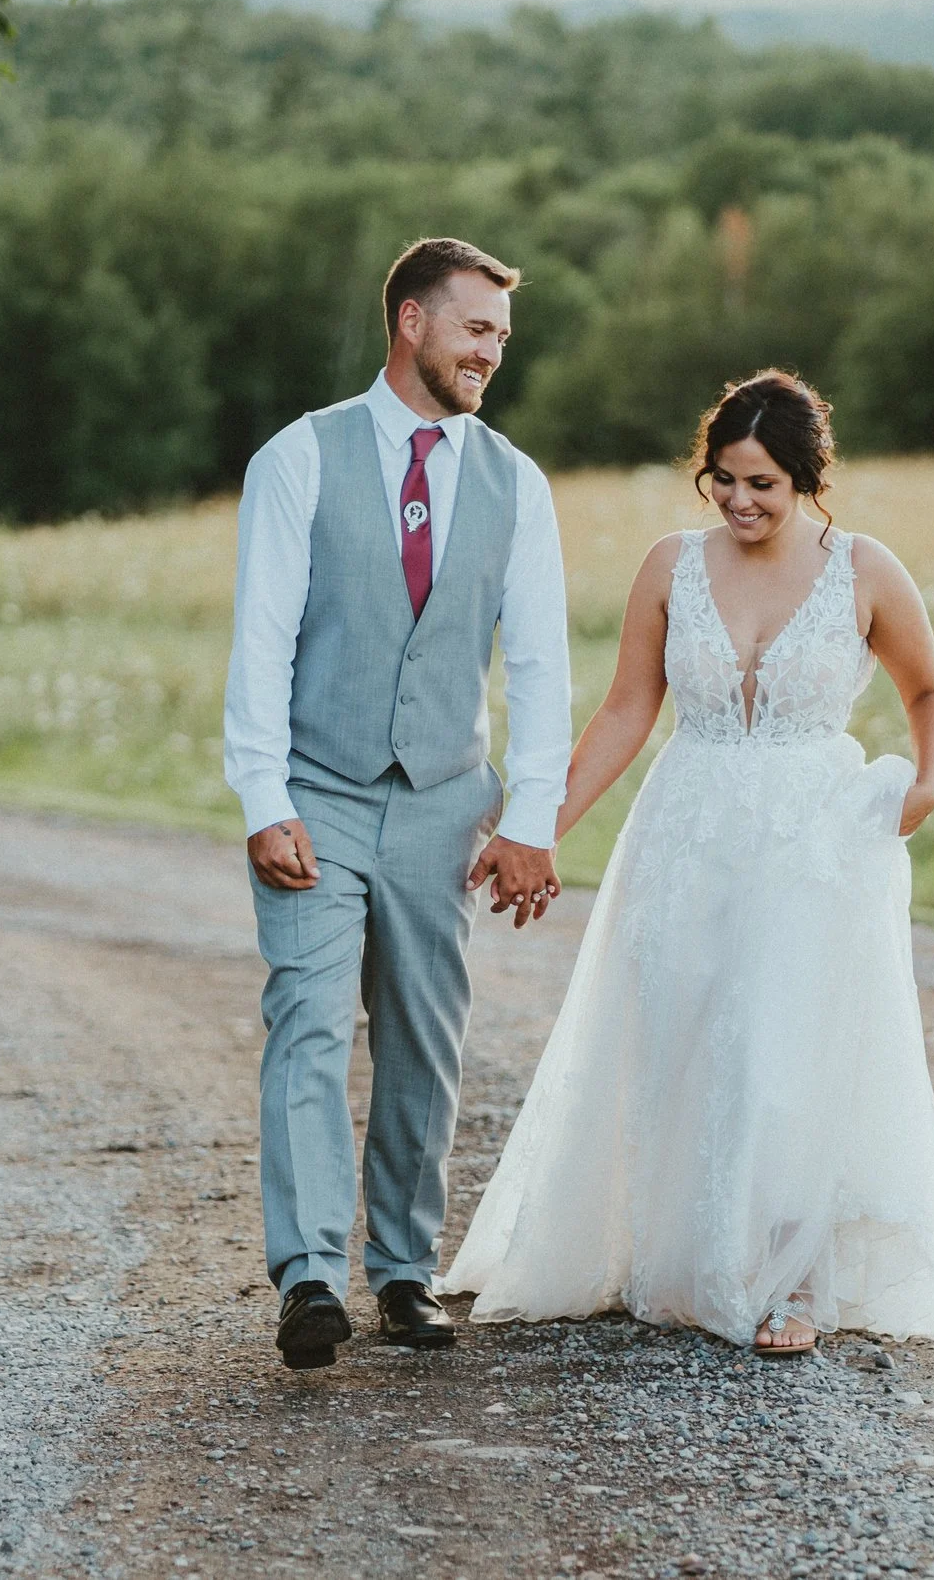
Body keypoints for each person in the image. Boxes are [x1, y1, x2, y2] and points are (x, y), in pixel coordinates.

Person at [441, 370, 934, 1355]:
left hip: (812, 839)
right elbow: (629, 709)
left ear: (807, 479)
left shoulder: (862, 569)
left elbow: (929, 688)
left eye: (762, 482)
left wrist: (926, 783)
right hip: (687, 830)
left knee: (783, 1048)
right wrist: (538, 823)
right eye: (722, 478)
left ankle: (794, 1279)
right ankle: (681, 1254)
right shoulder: (671, 565)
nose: (738, 501)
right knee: (681, 1036)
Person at [222, 238, 572, 1370]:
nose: (491, 354)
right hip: (316, 792)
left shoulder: (517, 482)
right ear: (412, 320)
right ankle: (309, 1276)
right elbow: (261, 639)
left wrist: (530, 817)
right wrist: (261, 794)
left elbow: (540, 666)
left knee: (424, 1033)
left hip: (441, 799)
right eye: (477, 330)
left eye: (502, 340)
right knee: (310, 1024)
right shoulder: (299, 457)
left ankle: (404, 1270)